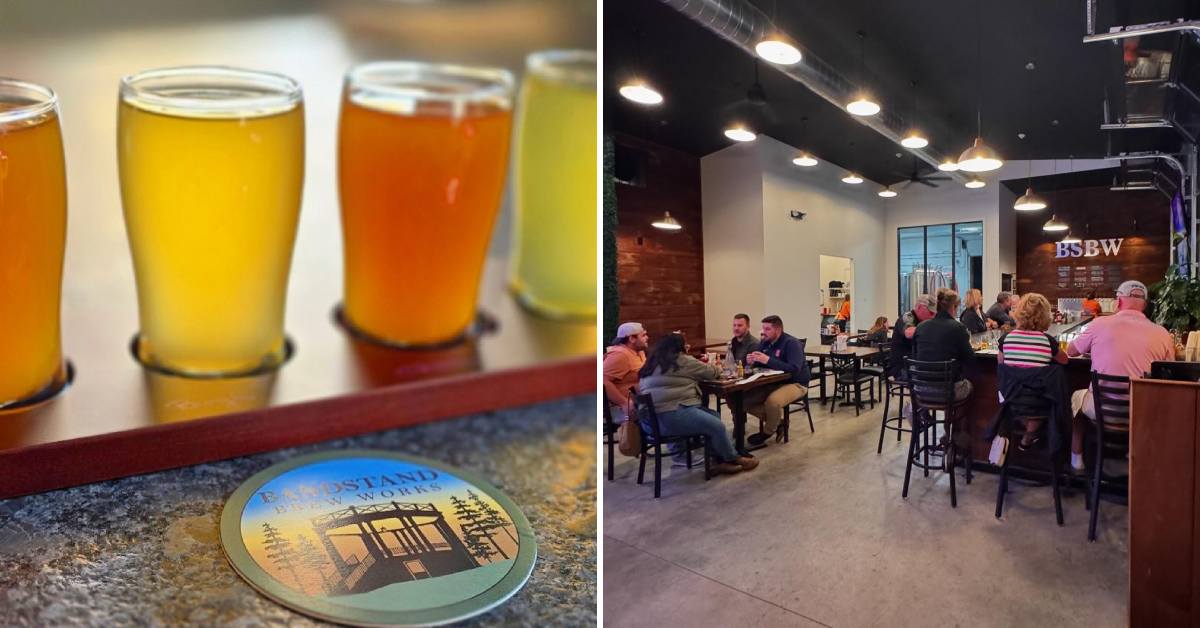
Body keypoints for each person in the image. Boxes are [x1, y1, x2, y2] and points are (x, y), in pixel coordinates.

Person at [1065, 280, 1174, 472]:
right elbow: (1168, 373)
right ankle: (1133, 456)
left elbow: (1071, 351)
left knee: (1076, 399)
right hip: (1141, 414)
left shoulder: (1099, 324)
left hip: (1102, 412)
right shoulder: (1163, 334)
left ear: (1119, 302)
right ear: (1145, 305)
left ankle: (1077, 461)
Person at [637, 335, 759, 476]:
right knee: (716, 425)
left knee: (713, 415)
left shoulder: (651, 362)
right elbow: (712, 372)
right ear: (680, 347)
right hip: (671, 417)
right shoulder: (681, 360)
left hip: (650, 422)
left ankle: (717, 460)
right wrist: (715, 366)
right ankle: (733, 457)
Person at [996, 293, 1069, 449]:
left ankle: (1027, 434)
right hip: (1040, 401)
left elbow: (1001, 365)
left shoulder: (1006, 339)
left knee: (1022, 405)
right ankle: (1029, 436)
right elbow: (1065, 360)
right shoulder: (1048, 341)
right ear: (1044, 316)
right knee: (1039, 404)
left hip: (1012, 399)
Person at [743, 315, 810, 447]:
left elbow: (794, 369)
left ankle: (768, 432)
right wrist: (751, 361)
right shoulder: (765, 342)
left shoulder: (791, 343)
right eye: (763, 328)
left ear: (778, 330)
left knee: (773, 402)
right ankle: (779, 423)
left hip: (796, 383)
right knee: (743, 401)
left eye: (767, 329)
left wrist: (767, 360)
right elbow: (759, 364)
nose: (763, 332)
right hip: (773, 382)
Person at [912, 288, 975, 402]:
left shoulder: (921, 327)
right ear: (953, 307)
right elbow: (970, 359)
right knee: (973, 385)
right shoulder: (958, 328)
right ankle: (959, 419)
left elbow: (915, 356)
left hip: (920, 389)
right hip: (947, 392)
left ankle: (924, 416)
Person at [603, 322, 648, 421]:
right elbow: (603, 381)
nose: (647, 338)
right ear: (632, 338)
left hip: (642, 402)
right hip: (622, 408)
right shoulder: (620, 355)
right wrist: (623, 403)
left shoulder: (640, 352)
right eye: (643, 335)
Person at [889, 293, 936, 378]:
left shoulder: (924, 321)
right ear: (919, 307)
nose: (933, 316)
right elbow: (909, 333)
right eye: (930, 312)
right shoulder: (908, 316)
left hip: (916, 364)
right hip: (903, 367)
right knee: (932, 377)